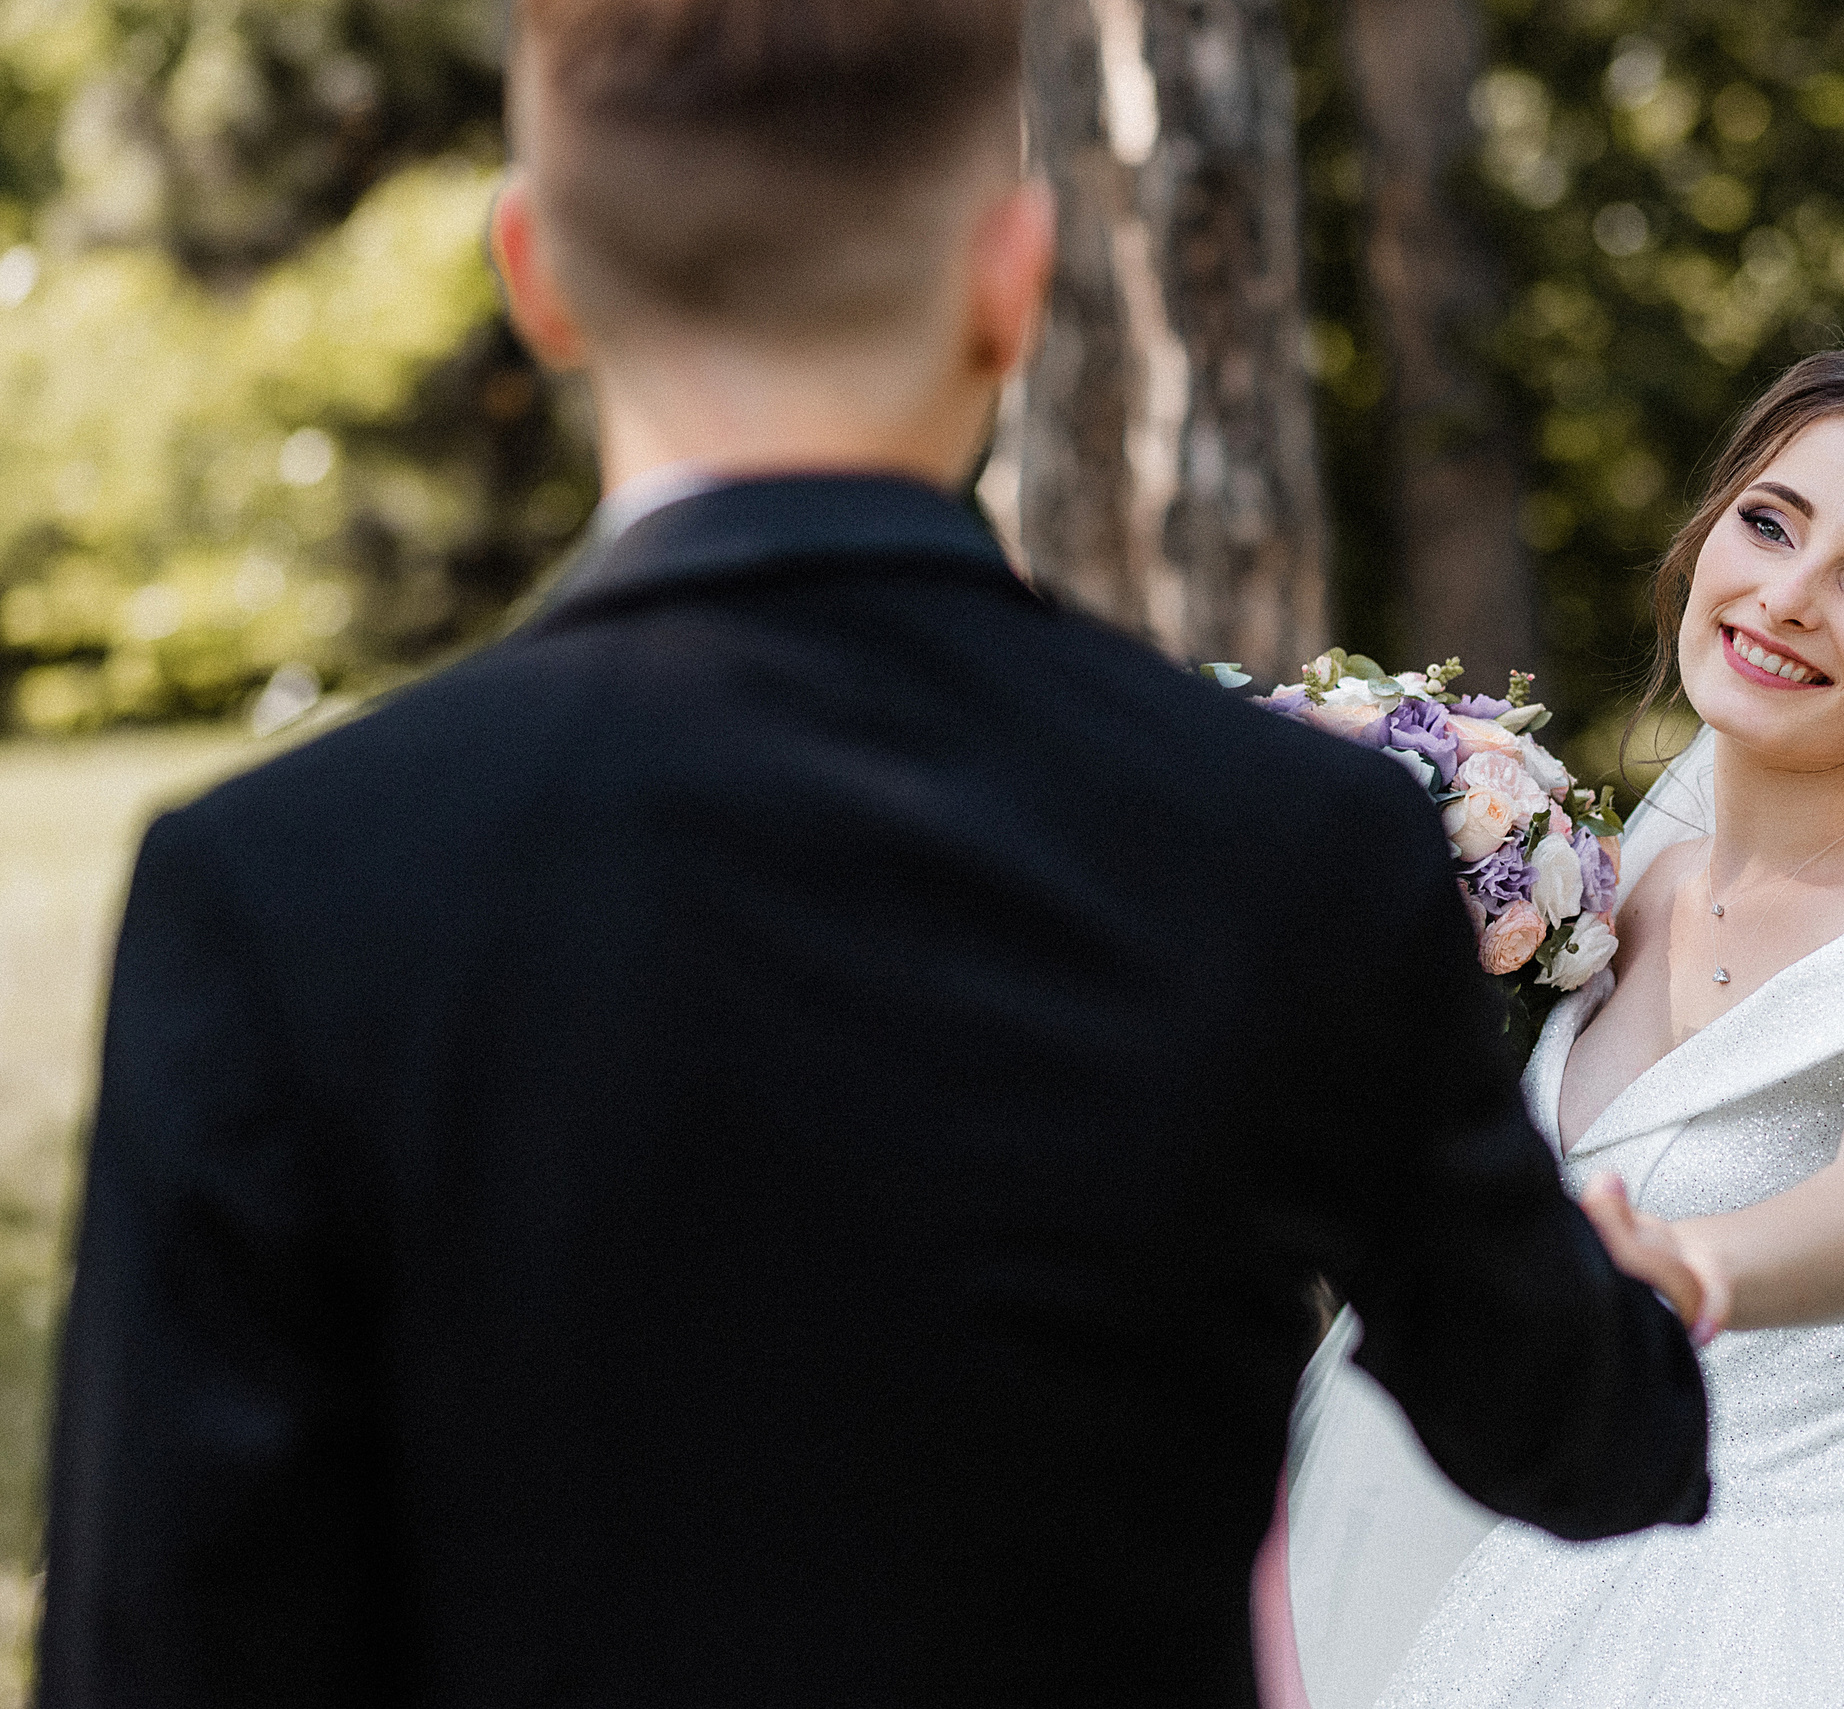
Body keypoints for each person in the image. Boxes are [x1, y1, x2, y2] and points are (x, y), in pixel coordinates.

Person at [34, 5, 1716, 1705]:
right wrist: (1626, 1317)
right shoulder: (1285, 838)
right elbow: (1581, 1437)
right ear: (1015, 274)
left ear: (535, 276)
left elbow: (160, 1639)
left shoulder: (278, 882)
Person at [1282, 333, 1844, 1708]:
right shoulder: (1637, 857)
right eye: (1768, 522)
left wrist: (1690, 1267)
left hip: (1809, 1620)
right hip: (1511, 1528)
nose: (1788, 596)